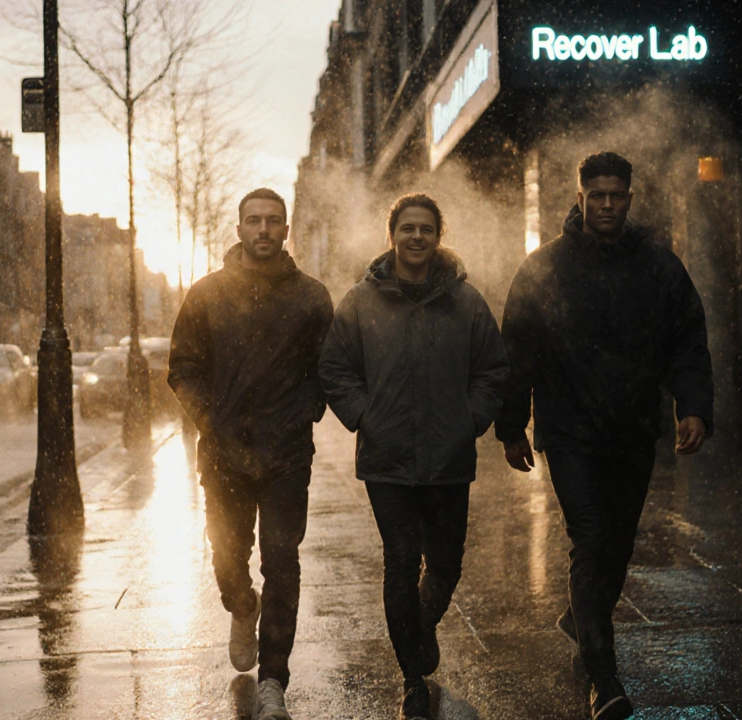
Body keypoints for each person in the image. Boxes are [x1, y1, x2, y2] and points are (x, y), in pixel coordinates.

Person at [495, 152, 714, 720]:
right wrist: (511, 426)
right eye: (598, 195)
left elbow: (686, 341)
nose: (608, 204)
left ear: (631, 199)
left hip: (634, 429)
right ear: (580, 198)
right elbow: (517, 352)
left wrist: (693, 407)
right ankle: (604, 678)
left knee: (616, 545)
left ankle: (581, 614)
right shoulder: (545, 268)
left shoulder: (659, 268)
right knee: (591, 542)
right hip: (569, 433)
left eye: (617, 195)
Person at [319, 194, 508, 720]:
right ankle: (411, 678)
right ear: (392, 235)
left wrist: (469, 421)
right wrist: (365, 415)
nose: (417, 237)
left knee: (445, 565)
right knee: (401, 563)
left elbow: (494, 368)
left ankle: (418, 628)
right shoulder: (360, 301)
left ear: (438, 236)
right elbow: (335, 368)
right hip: (388, 462)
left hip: (449, 460)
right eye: (407, 228)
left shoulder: (466, 302)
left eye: (426, 229)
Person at [168, 187, 333, 720]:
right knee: (226, 558)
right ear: (237, 229)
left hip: (287, 454)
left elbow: (327, 369)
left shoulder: (311, 297)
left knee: (282, 564)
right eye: (253, 221)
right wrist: (210, 418)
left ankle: (274, 683)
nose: (263, 229)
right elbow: (183, 367)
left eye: (273, 221)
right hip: (223, 454)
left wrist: (306, 408)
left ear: (286, 231)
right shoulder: (207, 294)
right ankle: (241, 606)